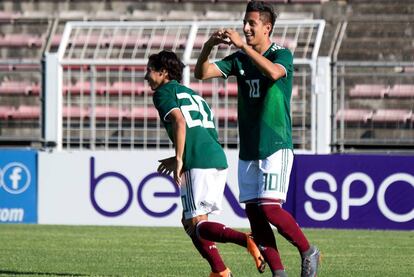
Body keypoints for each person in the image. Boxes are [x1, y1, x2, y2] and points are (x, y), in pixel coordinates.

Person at [194, 1, 320, 277]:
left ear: (268, 28)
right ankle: (279, 273)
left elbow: (274, 73)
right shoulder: (240, 61)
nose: (246, 28)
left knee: (271, 209)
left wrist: (242, 47)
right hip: (249, 147)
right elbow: (201, 73)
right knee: (254, 213)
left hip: (275, 144)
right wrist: (208, 46)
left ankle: (308, 250)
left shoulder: (281, 54)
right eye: (245, 23)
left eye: (252, 24)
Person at [145, 50, 266, 277]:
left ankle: (247, 240)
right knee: (191, 220)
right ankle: (220, 270)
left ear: (162, 73)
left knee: (196, 222)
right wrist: (182, 154)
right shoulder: (192, 94)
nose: (146, 76)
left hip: (197, 160)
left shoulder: (162, 93)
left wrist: (181, 158)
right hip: (215, 156)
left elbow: (180, 122)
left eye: (149, 71)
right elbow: (199, 129)